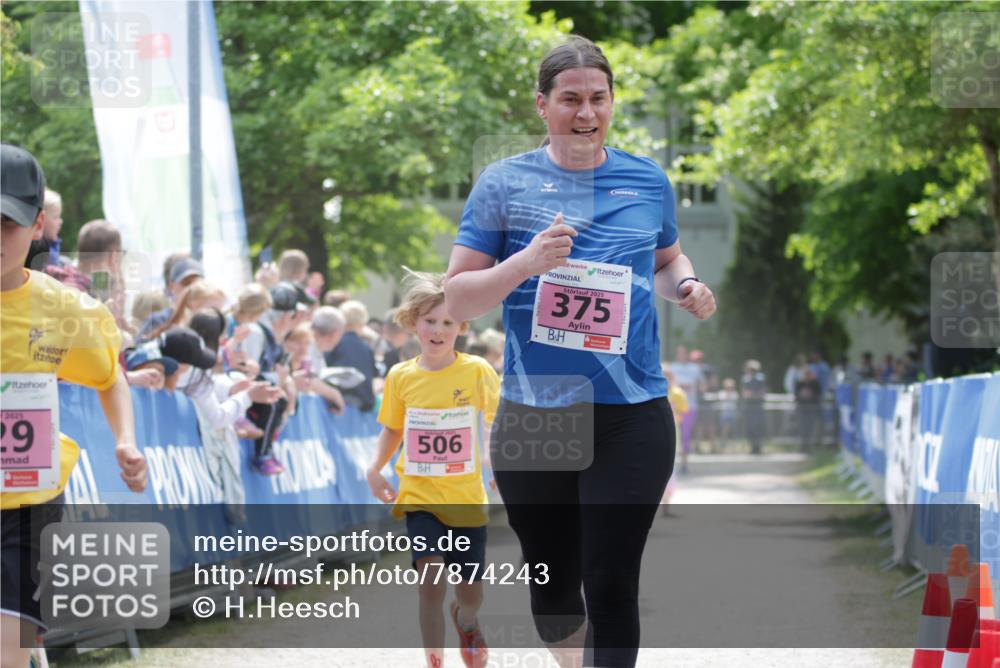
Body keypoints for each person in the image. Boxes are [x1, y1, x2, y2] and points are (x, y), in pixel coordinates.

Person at [442, 37, 716, 668]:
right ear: (542, 105)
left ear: (613, 101)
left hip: (632, 411)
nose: (585, 112)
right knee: (555, 587)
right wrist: (527, 261)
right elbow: (457, 300)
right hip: (537, 417)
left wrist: (689, 288)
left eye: (598, 98)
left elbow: (667, 260)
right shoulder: (502, 184)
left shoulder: (647, 179)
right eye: (570, 99)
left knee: (613, 579)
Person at [1, 144, 148, 667]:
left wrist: (124, 440)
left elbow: (111, 377)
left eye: (8, 224)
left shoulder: (65, 310)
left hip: (25, 508)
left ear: (38, 225)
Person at [367, 270, 499, 668]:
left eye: (448, 322)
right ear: (413, 324)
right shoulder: (401, 376)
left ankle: (468, 618)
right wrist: (376, 467)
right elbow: (392, 427)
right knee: (430, 578)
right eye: (430, 321)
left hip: (465, 497)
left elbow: (499, 422)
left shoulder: (477, 371)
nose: (439, 330)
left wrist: (501, 461)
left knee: (469, 590)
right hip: (420, 495)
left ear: (462, 327)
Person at [325, 299, 378, 412]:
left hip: (338, 401)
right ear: (362, 322)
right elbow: (373, 375)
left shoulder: (335, 342)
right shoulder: (366, 348)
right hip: (363, 404)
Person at [671, 345, 705, 474]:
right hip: (673, 408)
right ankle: (671, 464)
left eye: (683, 353)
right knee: (673, 436)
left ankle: (684, 464)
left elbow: (703, 385)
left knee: (685, 436)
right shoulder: (673, 367)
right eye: (678, 353)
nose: (681, 355)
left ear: (687, 354)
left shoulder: (695, 368)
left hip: (689, 407)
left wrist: (698, 388)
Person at [741, 360, 767, 455]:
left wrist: (754, 395)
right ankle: (752, 446)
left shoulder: (761, 379)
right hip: (749, 406)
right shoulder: (745, 379)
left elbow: (762, 393)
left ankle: (758, 446)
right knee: (750, 427)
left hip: (758, 406)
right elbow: (745, 393)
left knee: (758, 427)